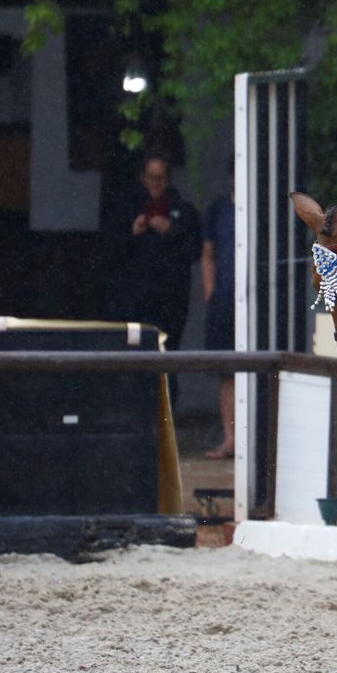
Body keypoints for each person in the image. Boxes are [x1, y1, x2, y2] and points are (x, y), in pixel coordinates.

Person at [105, 154, 202, 366]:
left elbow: (195, 251)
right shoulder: (127, 210)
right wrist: (133, 232)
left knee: (167, 360)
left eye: (160, 178)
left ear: (168, 180)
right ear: (143, 178)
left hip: (170, 302)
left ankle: (168, 399)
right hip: (134, 302)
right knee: (134, 362)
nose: (155, 183)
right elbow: (109, 254)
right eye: (151, 177)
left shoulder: (184, 212)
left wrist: (171, 230)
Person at [201, 188, 237, 459]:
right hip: (224, 299)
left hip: (254, 301)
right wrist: (211, 292)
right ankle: (230, 438)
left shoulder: (260, 207)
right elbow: (208, 252)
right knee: (227, 371)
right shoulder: (219, 208)